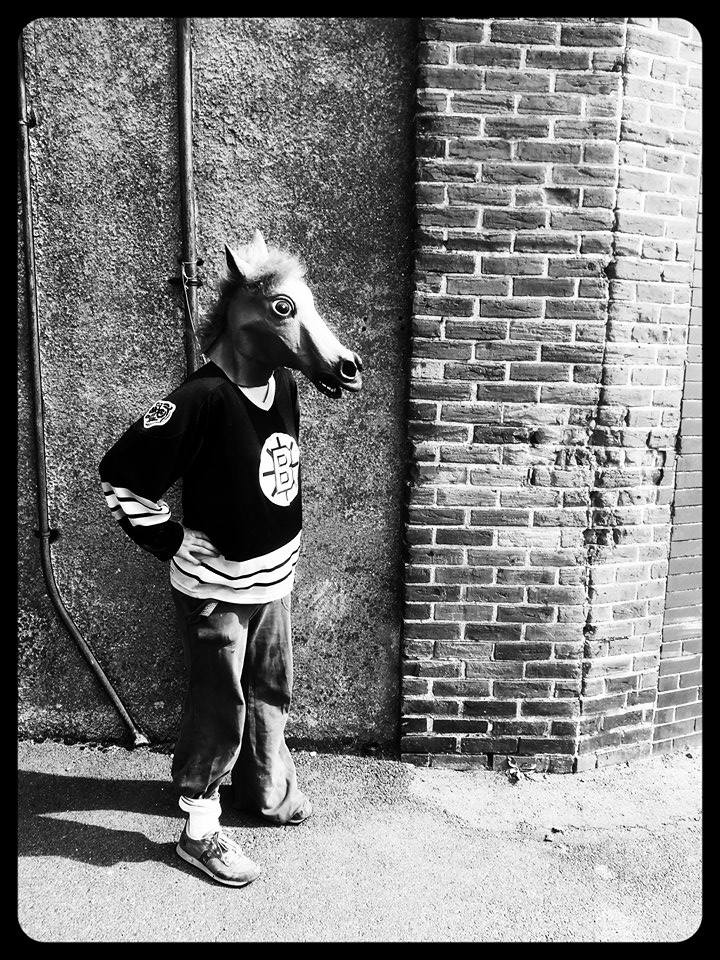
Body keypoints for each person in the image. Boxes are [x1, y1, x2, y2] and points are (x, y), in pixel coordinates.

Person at [98, 231, 362, 886]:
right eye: (283, 311)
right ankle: (199, 829)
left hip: (272, 581)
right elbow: (122, 476)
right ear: (247, 315)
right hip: (216, 589)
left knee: (271, 687)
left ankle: (265, 789)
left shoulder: (283, 386)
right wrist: (169, 538)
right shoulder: (199, 399)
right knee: (220, 707)